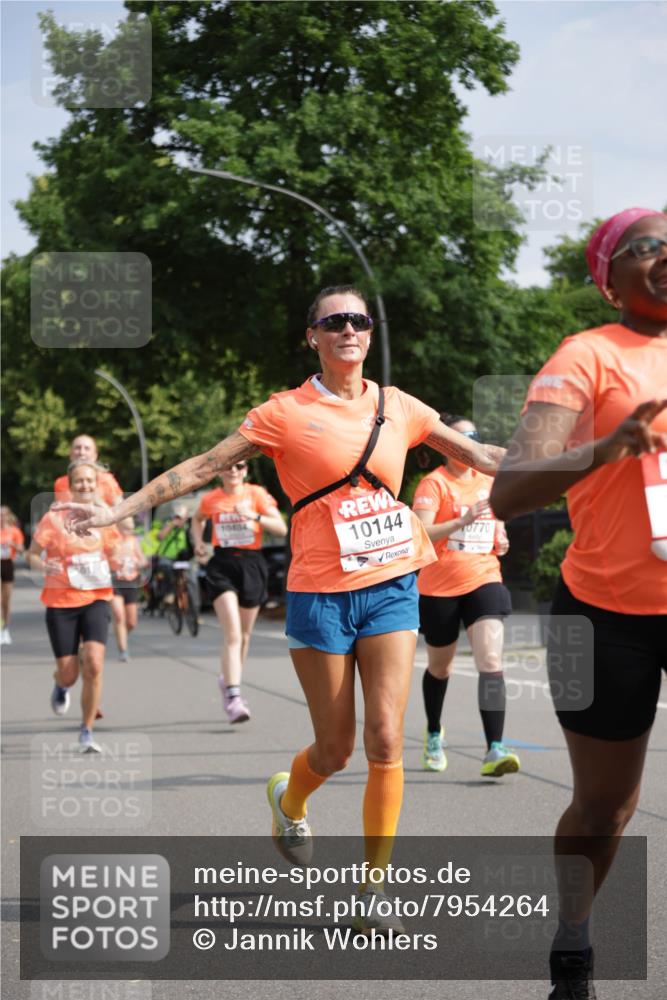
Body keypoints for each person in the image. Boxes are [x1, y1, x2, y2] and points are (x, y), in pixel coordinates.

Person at [54, 285, 504, 931]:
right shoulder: (283, 412)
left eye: (359, 320)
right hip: (320, 590)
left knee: (383, 738)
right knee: (335, 748)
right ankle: (289, 797)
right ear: (312, 336)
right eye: (334, 321)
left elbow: (482, 457)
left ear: (369, 334)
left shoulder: (399, 406)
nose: (349, 329)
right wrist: (121, 511)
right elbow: (204, 466)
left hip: (392, 583)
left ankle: (371, 894)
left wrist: (582, 462)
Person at [490, 208, 667, 999]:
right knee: (603, 808)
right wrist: (604, 448)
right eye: (649, 245)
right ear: (609, 274)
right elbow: (507, 491)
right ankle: (572, 938)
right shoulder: (585, 355)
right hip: (602, 614)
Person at [412, 415, 519, 777]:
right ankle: (432, 732)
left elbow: (496, 521)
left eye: (473, 436)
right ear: (446, 446)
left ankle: (495, 748)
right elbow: (421, 533)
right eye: (460, 438)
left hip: (483, 577)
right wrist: (462, 520)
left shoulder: (489, 479)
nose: (468, 443)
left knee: (490, 661)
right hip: (439, 586)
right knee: (440, 667)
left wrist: (500, 536)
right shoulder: (433, 485)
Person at [28, 461, 120, 752]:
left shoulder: (105, 517)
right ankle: (61, 684)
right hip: (61, 602)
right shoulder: (54, 519)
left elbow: (116, 552)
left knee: (93, 663)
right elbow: (31, 554)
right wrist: (45, 564)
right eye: (79, 481)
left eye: (90, 481)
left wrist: (123, 561)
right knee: (70, 673)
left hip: (96, 597)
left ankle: (87, 730)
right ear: (69, 484)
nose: (85, 486)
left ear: (97, 483)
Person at [191, 462, 287, 723]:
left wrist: (252, 516)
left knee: (244, 636)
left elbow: (281, 528)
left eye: (239, 466)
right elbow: (197, 519)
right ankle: (234, 696)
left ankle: (230, 681)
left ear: (245, 470)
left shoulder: (256, 494)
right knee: (232, 634)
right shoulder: (211, 499)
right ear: (220, 472)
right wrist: (198, 542)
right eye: (227, 467)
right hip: (222, 565)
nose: (233, 470)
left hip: (251, 564)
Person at [109, 517, 148, 662]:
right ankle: (123, 650)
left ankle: (122, 634)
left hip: (131, 582)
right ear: (118, 527)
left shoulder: (133, 541)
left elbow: (143, 559)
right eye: (126, 528)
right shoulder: (111, 541)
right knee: (119, 615)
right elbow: (103, 558)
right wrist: (114, 561)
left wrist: (139, 562)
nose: (129, 531)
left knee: (131, 622)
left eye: (131, 528)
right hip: (114, 581)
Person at [53, 435, 123, 506]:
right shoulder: (60, 483)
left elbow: (122, 510)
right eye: (77, 448)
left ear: (95, 455)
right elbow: (60, 512)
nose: (82, 452)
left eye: (87, 448)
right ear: (70, 454)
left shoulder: (107, 480)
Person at [153, 504, 193, 603]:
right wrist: (172, 525)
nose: (179, 519)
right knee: (165, 567)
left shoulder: (188, 527)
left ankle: (194, 610)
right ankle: (169, 592)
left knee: (193, 578)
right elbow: (160, 537)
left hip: (183, 557)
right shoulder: (168, 524)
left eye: (181, 517)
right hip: (167, 557)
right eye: (177, 517)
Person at [0, 506, 25, 645]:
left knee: (6, 601)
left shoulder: (14, 531)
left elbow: (22, 550)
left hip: (8, 564)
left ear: (8, 516)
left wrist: (13, 544)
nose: (1, 517)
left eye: (3, 514)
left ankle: (5, 630)